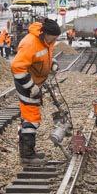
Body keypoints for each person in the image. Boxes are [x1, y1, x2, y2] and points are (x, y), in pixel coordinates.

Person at [10, 18, 61, 163]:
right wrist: (31, 87)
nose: (54, 41)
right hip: (25, 83)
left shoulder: (47, 40)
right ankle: (27, 156)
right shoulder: (30, 43)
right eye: (53, 38)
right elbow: (17, 67)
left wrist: (52, 64)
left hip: (35, 82)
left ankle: (28, 151)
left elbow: (45, 56)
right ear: (45, 33)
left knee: (30, 117)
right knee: (31, 118)